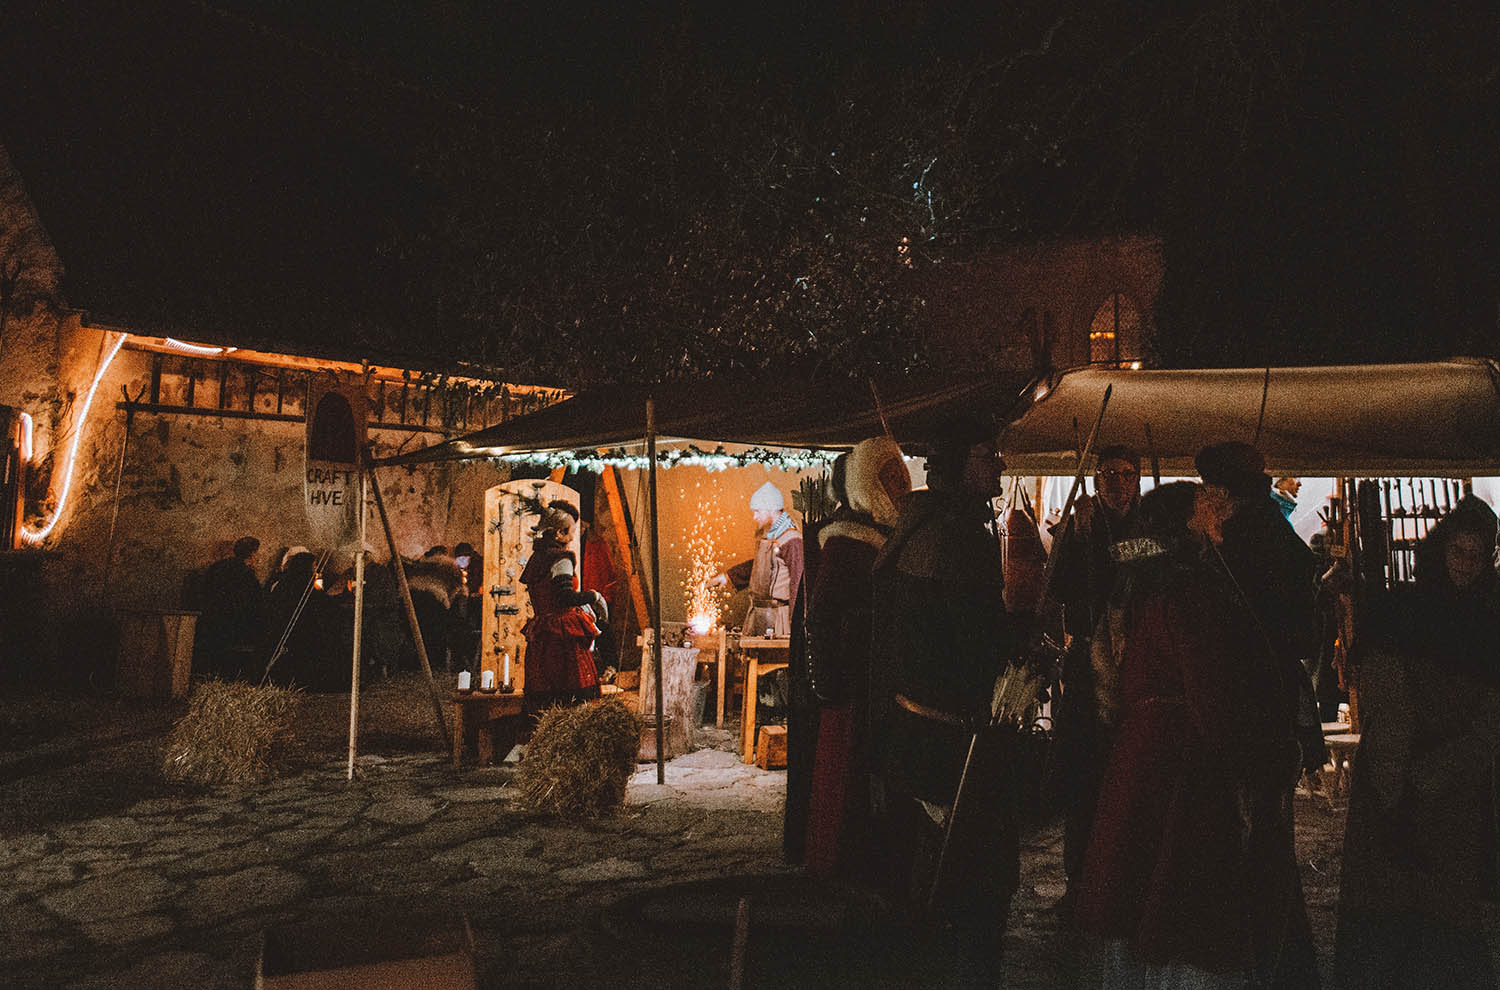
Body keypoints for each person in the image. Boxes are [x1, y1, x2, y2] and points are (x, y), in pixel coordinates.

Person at [1076, 481, 1317, 988]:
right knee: (1183, 916)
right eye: (1211, 518)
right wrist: (1269, 760)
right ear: (1190, 527)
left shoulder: (1145, 585)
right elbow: (1215, 702)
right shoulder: (1188, 596)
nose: (1220, 529)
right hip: (1180, 773)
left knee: (1144, 908)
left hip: (1147, 764)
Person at [867, 415, 1030, 987]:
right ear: (961, 465)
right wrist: (1025, 630)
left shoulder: (934, 524)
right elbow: (974, 647)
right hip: (945, 742)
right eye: (990, 454)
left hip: (920, 733)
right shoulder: (958, 537)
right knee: (969, 889)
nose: (1001, 465)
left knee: (937, 885)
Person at [1334, 494, 1500, 989]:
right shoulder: (1400, 611)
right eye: (1457, 553)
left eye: (1477, 555)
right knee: (1382, 926)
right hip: (1392, 788)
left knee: (1445, 926)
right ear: (1441, 549)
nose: (1465, 566)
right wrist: (1397, 787)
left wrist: (1449, 766)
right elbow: (1387, 708)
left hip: (1454, 794)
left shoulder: (1491, 618)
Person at [803, 436, 911, 878]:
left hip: (881, 681)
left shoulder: (889, 538)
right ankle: (842, 867)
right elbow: (823, 618)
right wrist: (830, 681)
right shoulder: (847, 545)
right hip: (853, 686)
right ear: (867, 484)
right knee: (848, 777)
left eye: (901, 477)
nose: (899, 486)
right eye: (888, 478)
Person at [1046, 443, 1142, 920]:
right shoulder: (1081, 525)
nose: (1117, 484)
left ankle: (1131, 882)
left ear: (1138, 479)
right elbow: (1059, 588)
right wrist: (1073, 538)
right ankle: (1079, 882)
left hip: (1141, 667)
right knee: (1085, 780)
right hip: (1090, 662)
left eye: (1126, 475)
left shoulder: (1150, 527)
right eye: (1108, 475)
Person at [1196, 442, 1325, 779]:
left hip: (1245, 691)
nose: (1202, 498)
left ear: (1222, 493)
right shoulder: (1270, 528)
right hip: (1270, 685)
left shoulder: (1236, 540)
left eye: (1206, 490)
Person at [520, 501, 607, 711]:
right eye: (570, 533)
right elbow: (564, 597)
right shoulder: (561, 558)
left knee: (545, 689)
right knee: (571, 694)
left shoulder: (537, 557)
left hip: (543, 630)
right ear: (559, 533)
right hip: (561, 634)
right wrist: (593, 596)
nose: (571, 538)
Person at [712, 482, 805, 638]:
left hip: (779, 621)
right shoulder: (772, 537)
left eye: (757, 511)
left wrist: (796, 623)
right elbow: (760, 566)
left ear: (771, 509)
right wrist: (728, 577)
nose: (755, 517)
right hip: (759, 615)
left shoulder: (792, 540)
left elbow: (798, 581)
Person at [195, 535, 265, 681]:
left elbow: (204, 592)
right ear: (252, 554)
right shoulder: (247, 574)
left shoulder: (216, 567)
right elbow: (255, 602)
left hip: (212, 622)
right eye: (257, 554)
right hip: (235, 625)